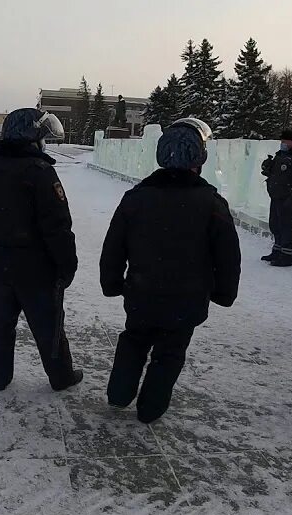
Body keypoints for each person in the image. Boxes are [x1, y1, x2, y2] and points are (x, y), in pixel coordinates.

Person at [100, 118, 241, 423]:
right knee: (170, 352)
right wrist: (224, 291)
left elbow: (114, 245)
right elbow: (227, 255)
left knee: (134, 341)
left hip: (142, 292)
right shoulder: (212, 203)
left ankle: (120, 393)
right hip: (186, 298)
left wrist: (111, 281)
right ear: (199, 158)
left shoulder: (137, 198)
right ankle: (151, 408)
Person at [0, 108, 82, 392]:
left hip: (0, 261)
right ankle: (61, 376)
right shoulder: (40, 172)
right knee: (49, 326)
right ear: (31, 136)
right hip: (37, 266)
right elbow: (57, 226)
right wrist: (67, 264)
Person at [261, 129, 292, 267]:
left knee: (287, 226)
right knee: (275, 225)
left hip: (288, 199)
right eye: (281, 141)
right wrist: (267, 168)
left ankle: (287, 255)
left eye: (284, 141)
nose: (282, 143)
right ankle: (277, 251)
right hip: (276, 196)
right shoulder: (281, 155)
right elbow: (276, 174)